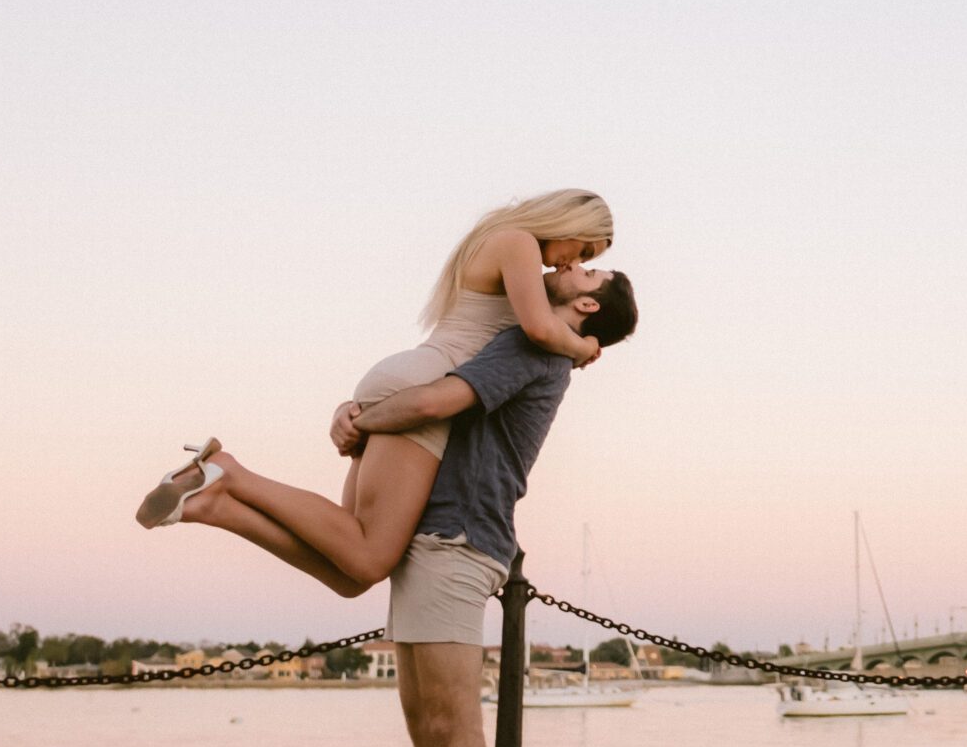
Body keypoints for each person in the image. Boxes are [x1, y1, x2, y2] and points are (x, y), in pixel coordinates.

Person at [148, 271, 638, 747]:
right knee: (414, 701)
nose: (566, 268)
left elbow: (438, 400)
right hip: (431, 531)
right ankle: (220, 503)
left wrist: (361, 417)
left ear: (586, 305)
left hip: (458, 536)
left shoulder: (536, 345)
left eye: (588, 271)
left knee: (451, 724)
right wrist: (355, 416)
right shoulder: (528, 336)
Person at [134, 188, 615, 572]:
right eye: (584, 250)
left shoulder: (497, 239)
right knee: (370, 556)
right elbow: (539, 328)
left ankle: (217, 506)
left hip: (405, 377)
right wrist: (584, 348)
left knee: (349, 569)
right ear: (569, 221)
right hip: (423, 389)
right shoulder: (519, 242)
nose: (569, 264)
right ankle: (230, 472)